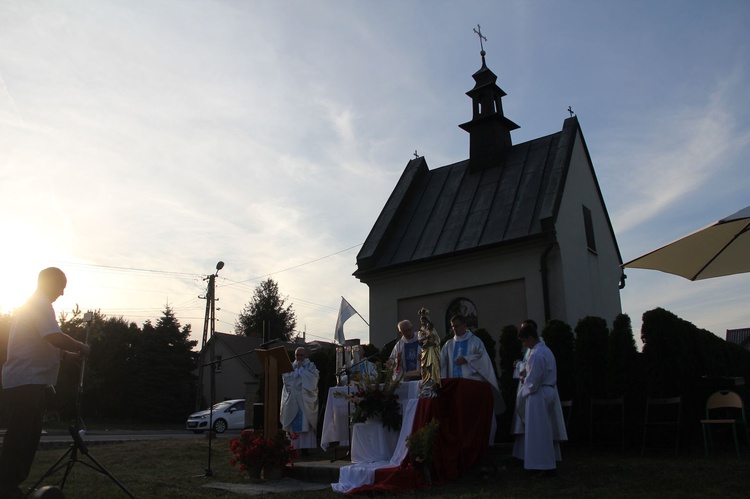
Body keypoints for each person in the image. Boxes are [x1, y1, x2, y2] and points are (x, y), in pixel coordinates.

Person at [0, 268, 91, 498]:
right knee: (21, 437)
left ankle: (11, 484)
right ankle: (6, 487)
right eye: (61, 287)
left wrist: (66, 356)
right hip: (26, 383)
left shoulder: (35, 306)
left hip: (29, 383)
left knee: (28, 438)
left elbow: (40, 344)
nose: (62, 293)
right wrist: (80, 346)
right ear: (50, 283)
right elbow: (53, 337)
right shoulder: (39, 305)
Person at [440, 314, 505, 441]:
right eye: (452, 327)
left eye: (457, 326)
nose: (454, 329)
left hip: (472, 387)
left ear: (464, 326)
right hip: (455, 387)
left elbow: (483, 361)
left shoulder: (475, 342)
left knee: (472, 416)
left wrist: (467, 359)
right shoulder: (449, 345)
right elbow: (441, 363)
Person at [516, 319, 567, 477]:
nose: (525, 345)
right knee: (542, 429)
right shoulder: (547, 351)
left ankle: (544, 465)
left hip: (538, 394)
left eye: (525, 342)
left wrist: (525, 384)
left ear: (530, 338)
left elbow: (534, 379)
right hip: (548, 390)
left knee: (538, 431)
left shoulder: (536, 354)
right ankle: (541, 464)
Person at [280, 347, 319, 450]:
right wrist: (295, 372)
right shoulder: (290, 366)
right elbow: (286, 380)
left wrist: (302, 372)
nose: (299, 357)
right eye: (297, 355)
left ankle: (306, 448)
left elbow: (314, 379)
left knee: (305, 423)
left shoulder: (310, 366)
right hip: (293, 400)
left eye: (301, 355)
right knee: (293, 424)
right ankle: (293, 447)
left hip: (304, 400)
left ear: (305, 355)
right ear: (295, 355)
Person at [417, 308, 441, 397]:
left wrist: (430, 341)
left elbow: (437, 340)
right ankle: (426, 382)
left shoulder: (431, 330)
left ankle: (432, 382)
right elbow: (419, 341)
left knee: (430, 365)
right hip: (424, 351)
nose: (423, 322)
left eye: (424, 320)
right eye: (421, 320)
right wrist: (423, 339)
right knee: (424, 368)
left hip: (431, 350)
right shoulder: (420, 331)